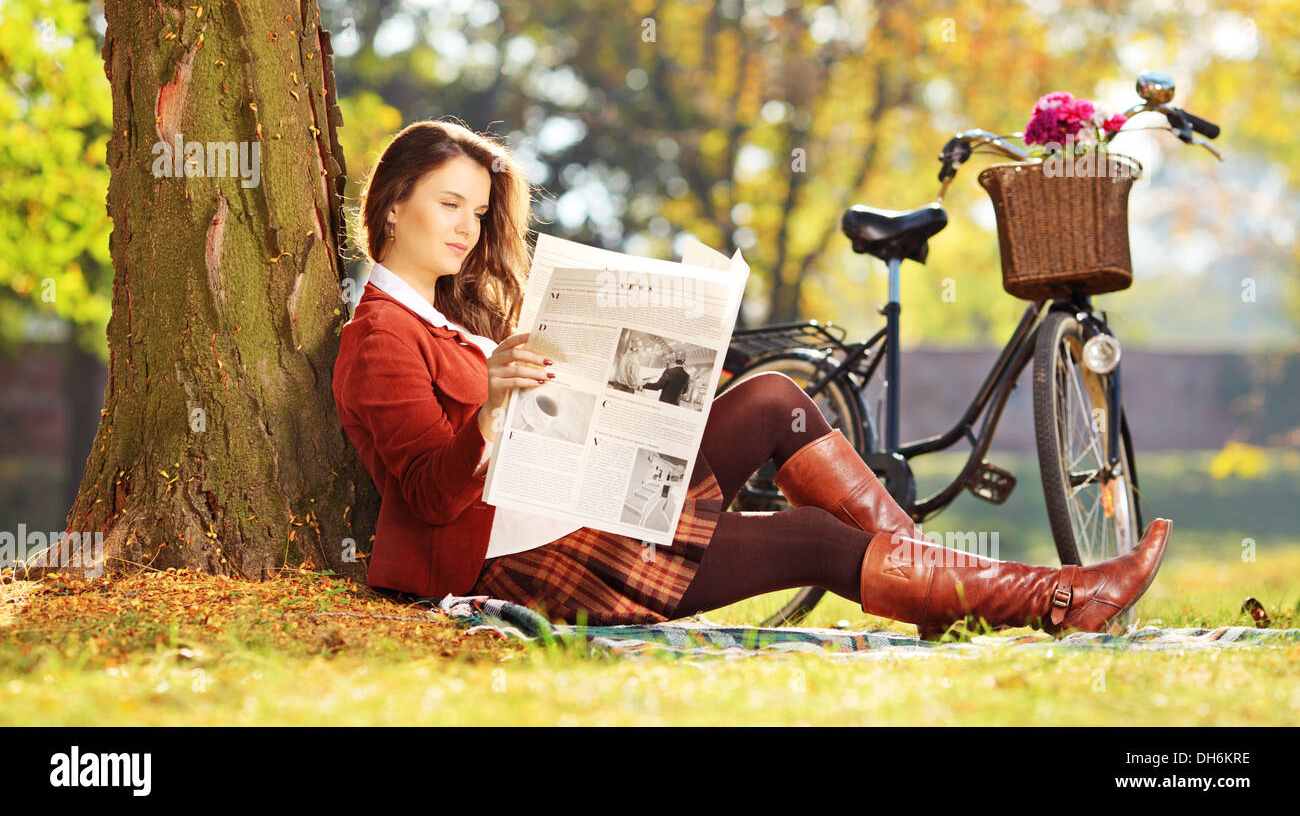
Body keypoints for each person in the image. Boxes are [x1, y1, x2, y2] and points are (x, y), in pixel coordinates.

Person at [332, 119, 1172, 638]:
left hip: (586, 504)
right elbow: (424, 497)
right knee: (818, 543)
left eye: (479, 212)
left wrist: (677, 374)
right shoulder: (379, 337)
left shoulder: (460, 323)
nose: (468, 228)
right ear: (393, 203)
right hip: (524, 564)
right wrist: (487, 413)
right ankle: (1058, 600)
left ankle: (958, 595)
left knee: (770, 396)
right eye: (450, 204)